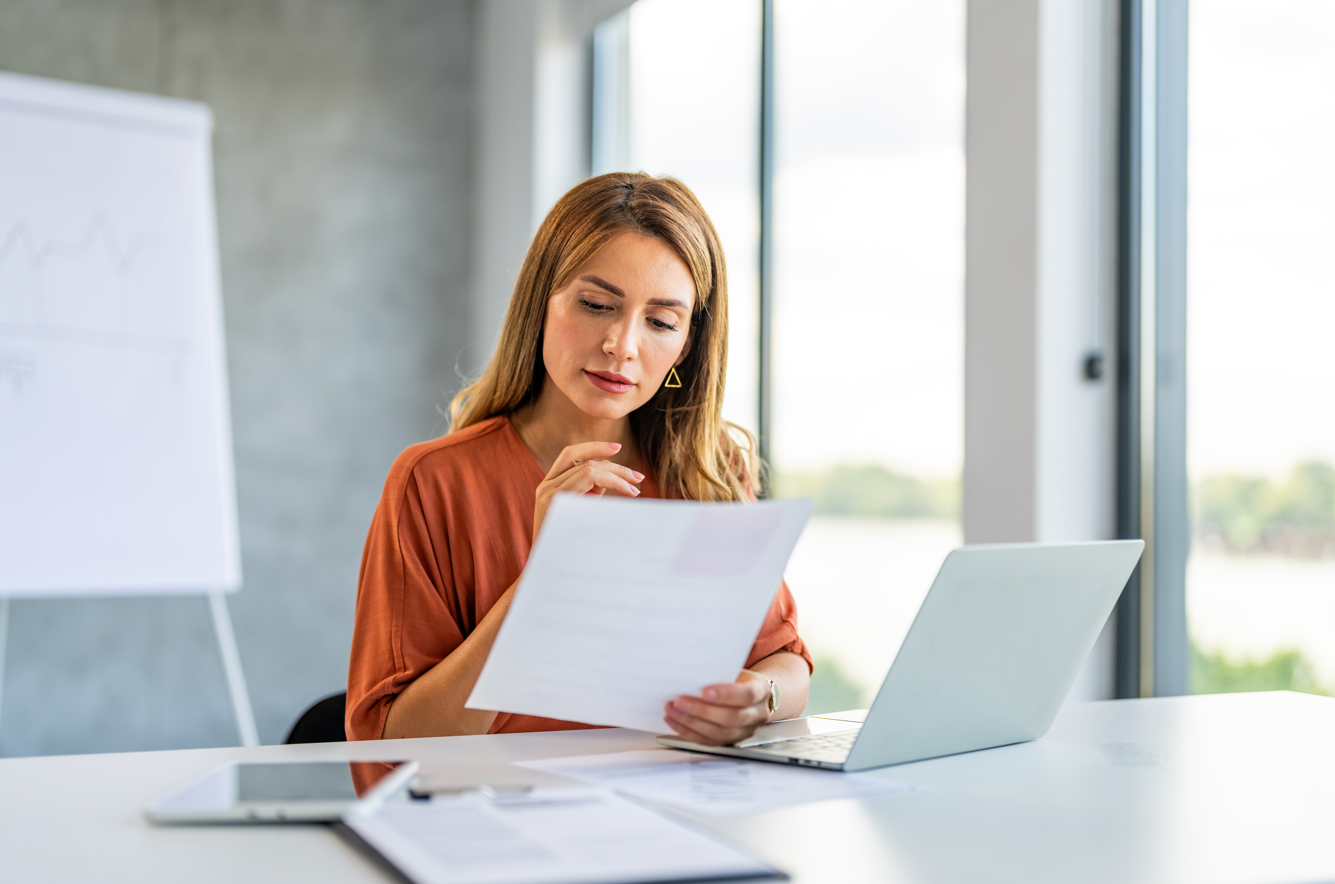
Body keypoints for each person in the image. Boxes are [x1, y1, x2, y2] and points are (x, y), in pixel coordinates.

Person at [345, 172, 811, 747]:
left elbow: (787, 665)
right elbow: (393, 741)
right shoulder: (433, 483)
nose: (623, 344)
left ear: (687, 344)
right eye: (595, 304)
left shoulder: (708, 468)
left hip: (670, 809)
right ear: (541, 301)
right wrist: (544, 580)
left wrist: (757, 699)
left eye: (661, 321)